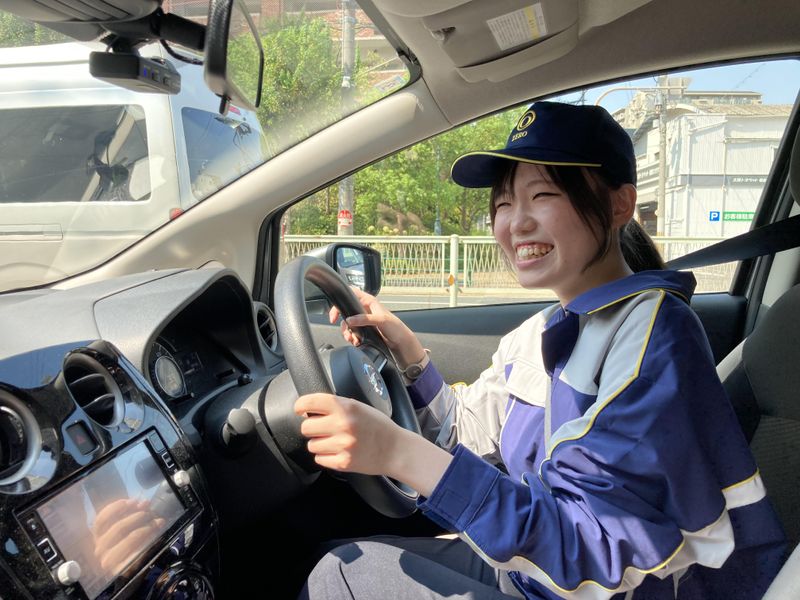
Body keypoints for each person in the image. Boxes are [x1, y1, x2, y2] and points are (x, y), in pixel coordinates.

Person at [294, 102, 786, 599]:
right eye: (504, 203)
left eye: (543, 195)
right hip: (538, 573)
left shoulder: (654, 338)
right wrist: (409, 355)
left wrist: (397, 452)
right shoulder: (546, 329)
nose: (516, 223)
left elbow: (596, 549)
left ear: (619, 206)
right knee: (341, 556)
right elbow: (470, 433)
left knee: (340, 575)